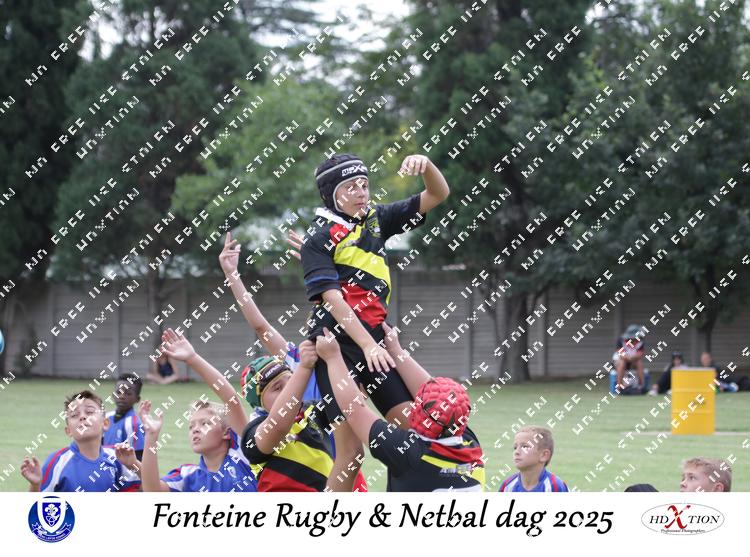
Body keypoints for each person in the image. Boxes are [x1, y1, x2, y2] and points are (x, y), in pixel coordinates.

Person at [300, 153, 450, 486]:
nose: (361, 193)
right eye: (350, 187)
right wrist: (368, 346)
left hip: (375, 344)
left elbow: (437, 194)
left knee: (414, 434)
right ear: (330, 194)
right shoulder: (318, 237)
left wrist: (427, 166)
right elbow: (333, 299)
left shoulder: (376, 219)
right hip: (335, 347)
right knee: (351, 454)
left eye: (364, 185)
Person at [219, 232, 366, 491]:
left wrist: (322, 266)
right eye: (317, 318)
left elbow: (346, 308)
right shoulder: (297, 361)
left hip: (341, 458)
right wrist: (233, 275)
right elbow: (261, 327)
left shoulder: (343, 357)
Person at [315, 324, 485, 492]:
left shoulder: (408, 453)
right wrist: (396, 351)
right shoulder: (471, 446)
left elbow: (354, 411)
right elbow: (436, 394)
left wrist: (333, 357)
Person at [20, 390, 140, 492]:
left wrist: (134, 464)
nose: (82, 417)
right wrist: (35, 485)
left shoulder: (117, 457)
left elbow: (146, 491)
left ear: (105, 423)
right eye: (74, 415)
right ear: (68, 431)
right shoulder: (57, 462)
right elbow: (37, 507)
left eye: (89, 412)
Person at [498, 426, 569, 492]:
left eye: (525, 447)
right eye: (515, 447)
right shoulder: (508, 486)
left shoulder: (555, 486)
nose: (516, 452)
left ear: (544, 455)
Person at [103, 372, 145, 460]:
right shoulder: (105, 417)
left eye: (128, 393)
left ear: (137, 399)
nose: (122, 396)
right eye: (118, 392)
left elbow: (140, 456)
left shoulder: (135, 424)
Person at [614, 324, 646, 392]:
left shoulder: (640, 341)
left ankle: (642, 386)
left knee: (639, 362)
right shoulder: (621, 340)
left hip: (634, 360)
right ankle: (619, 387)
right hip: (619, 360)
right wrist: (628, 358)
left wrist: (632, 358)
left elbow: (640, 354)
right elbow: (621, 354)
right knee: (622, 363)